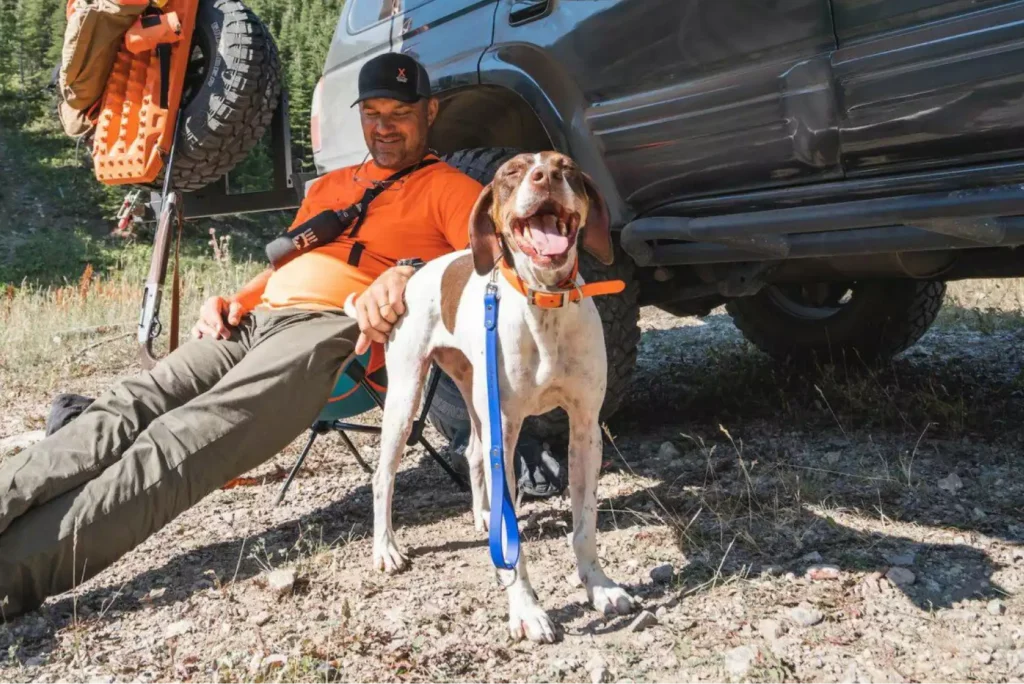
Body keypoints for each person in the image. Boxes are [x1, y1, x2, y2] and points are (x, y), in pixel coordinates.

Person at [0, 53, 563, 620]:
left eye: (400, 112)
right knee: (127, 404)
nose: (385, 125)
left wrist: (408, 272)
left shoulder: (448, 187)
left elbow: (488, 262)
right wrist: (232, 299)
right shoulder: (333, 186)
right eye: (372, 112)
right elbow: (289, 258)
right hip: (252, 322)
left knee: (181, 441)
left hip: (330, 330)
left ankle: (12, 574)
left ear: (430, 111)